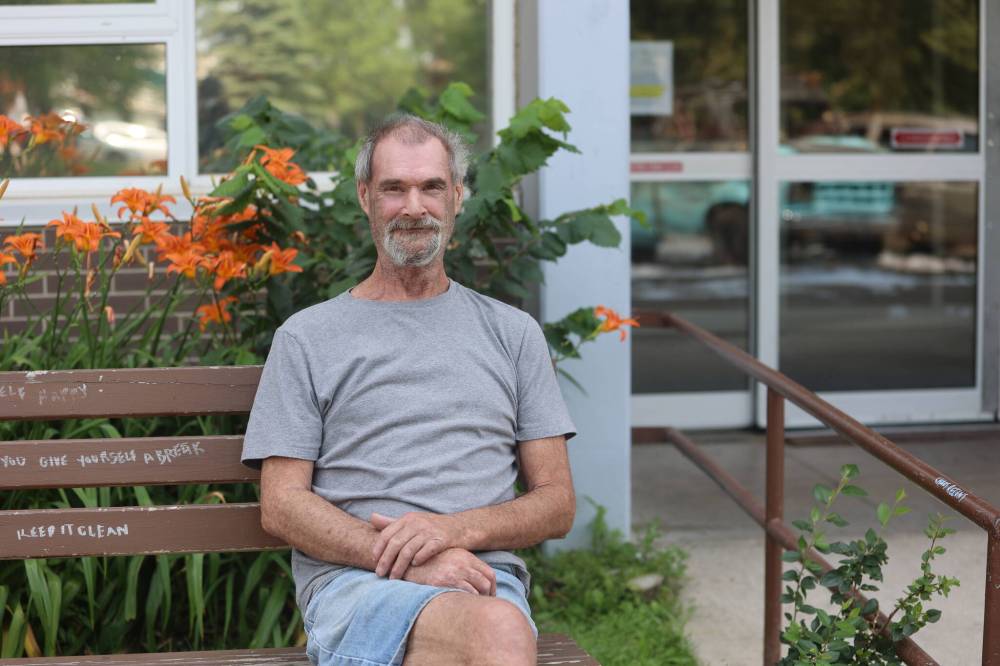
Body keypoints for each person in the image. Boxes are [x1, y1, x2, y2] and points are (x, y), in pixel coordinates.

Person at [241, 114, 577, 666]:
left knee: (492, 626)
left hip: (479, 576)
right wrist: (410, 560)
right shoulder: (306, 338)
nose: (414, 207)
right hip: (355, 584)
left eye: (432, 187)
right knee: (497, 633)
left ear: (458, 196)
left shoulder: (513, 334)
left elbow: (556, 503)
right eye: (394, 188)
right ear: (365, 196)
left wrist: (451, 532)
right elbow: (280, 506)